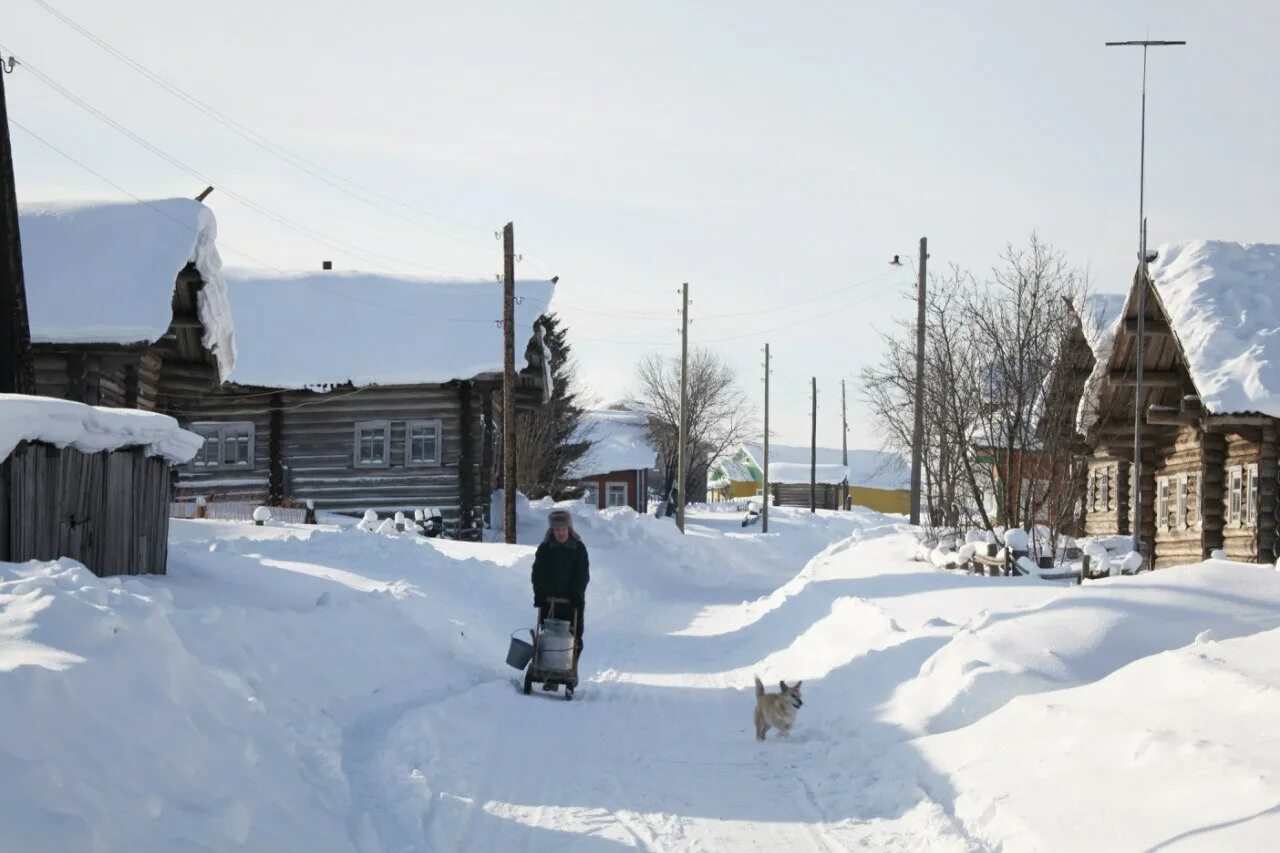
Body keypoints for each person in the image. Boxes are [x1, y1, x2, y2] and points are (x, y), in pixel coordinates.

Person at [531, 509, 589, 668]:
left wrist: (576, 594)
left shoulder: (578, 548)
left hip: (572, 602)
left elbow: (582, 574)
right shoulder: (545, 548)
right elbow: (538, 572)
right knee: (549, 636)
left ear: (569, 528)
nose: (560, 533)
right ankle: (548, 671)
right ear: (552, 530)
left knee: (574, 638)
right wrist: (540, 594)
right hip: (549, 601)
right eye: (557, 530)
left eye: (563, 529)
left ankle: (571, 669)